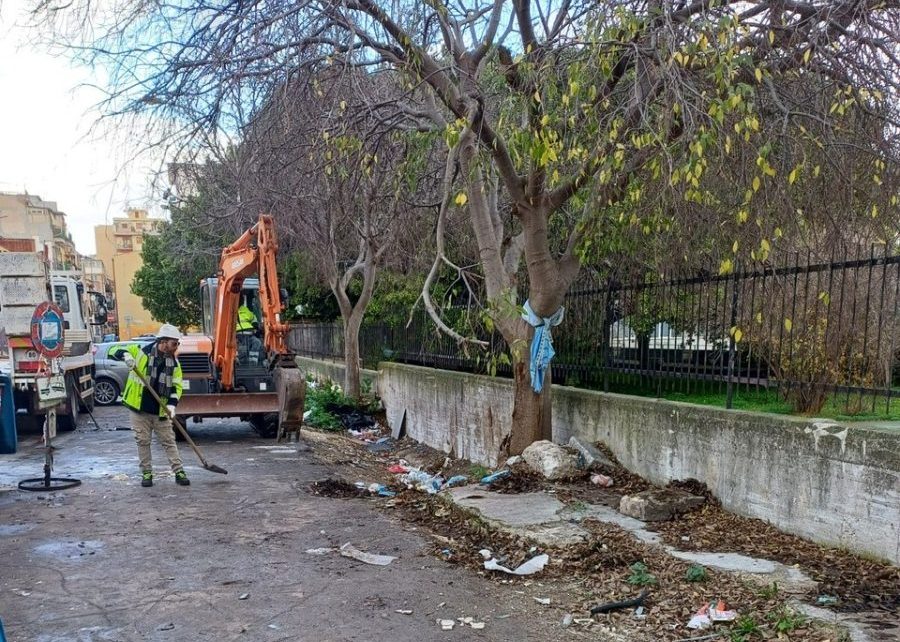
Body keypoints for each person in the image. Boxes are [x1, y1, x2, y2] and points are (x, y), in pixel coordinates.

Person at [113, 324, 189, 487]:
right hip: (139, 409)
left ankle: (179, 471)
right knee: (143, 441)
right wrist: (126, 355)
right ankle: (147, 473)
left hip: (160, 411)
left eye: (177, 343)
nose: (176, 347)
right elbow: (115, 351)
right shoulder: (141, 352)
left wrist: (172, 405)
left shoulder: (174, 364)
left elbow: (177, 386)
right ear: (163, 341)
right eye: (174, 343)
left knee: (169, 441)